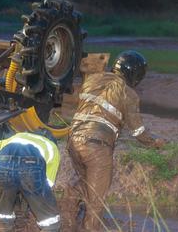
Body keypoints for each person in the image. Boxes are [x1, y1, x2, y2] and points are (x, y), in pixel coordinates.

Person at [61, 50, 166, 231]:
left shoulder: (92, 79)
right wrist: (156, 143)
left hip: (73, 141)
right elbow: (138, 132)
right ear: (136, 74)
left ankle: (66, 223)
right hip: (97, 147)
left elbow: (85, 61)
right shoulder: (129, 94)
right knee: (96, 202)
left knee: (83, 182)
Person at [0, 129, 61, 231]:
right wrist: (31, 195)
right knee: (51, 222)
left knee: (5, 217)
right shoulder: (52, 147)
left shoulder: (11, 139)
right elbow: (48, 184)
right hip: (31, 165)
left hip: (3, 164)